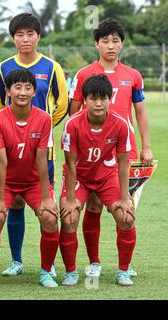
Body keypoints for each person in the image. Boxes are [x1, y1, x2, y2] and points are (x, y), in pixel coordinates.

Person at [69, 18, 152, 278]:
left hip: (123, 152)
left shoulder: (133, 76)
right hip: (92, 153)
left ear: (122, 44)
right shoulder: (84, 74)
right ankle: (94, 261)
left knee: (125, 208)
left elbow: (140, 113)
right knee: (92, 205)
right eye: (105, 40)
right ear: (96, 44)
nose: (111, 45)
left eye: (115, 40)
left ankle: (124, 266)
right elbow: (74, 114)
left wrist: (146, 147)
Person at [0, 13, 68, 277]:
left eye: (30, 34)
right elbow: (2, 106)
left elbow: (62, 104)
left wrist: (43, 127)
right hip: (11, 149)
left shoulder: (52, 67)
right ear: (13, 38)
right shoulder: (3, 69)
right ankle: (16, 260)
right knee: (13, 204)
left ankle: (47, 266)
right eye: (20, 34)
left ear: (39, 36)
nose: (25, 39)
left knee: (45, 208)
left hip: (41, 150)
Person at [0, 69, 59, 289]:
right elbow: (0, 162)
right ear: (7, 91)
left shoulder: (44, 118)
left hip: (34, 181)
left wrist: (46, 197)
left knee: (50, 217)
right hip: (4, 181)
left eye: (27, 87)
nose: (23, 92)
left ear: (34, 91)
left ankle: (46, 272)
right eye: (17, 87)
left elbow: (43, 160)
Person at [60, 74, 136, 286]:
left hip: (106, 176)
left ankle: (123, 271)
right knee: (69, 218)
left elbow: (123, 163)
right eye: (93, 98)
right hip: (80, 177)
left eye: (103, 98)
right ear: (84, 100)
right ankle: (71, 272)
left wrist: (124, 197)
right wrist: (72, 200)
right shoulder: (73, 124)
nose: (99, 103)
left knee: (126, 216)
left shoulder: (120, 124)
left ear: (110, 99)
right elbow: (71, 164)